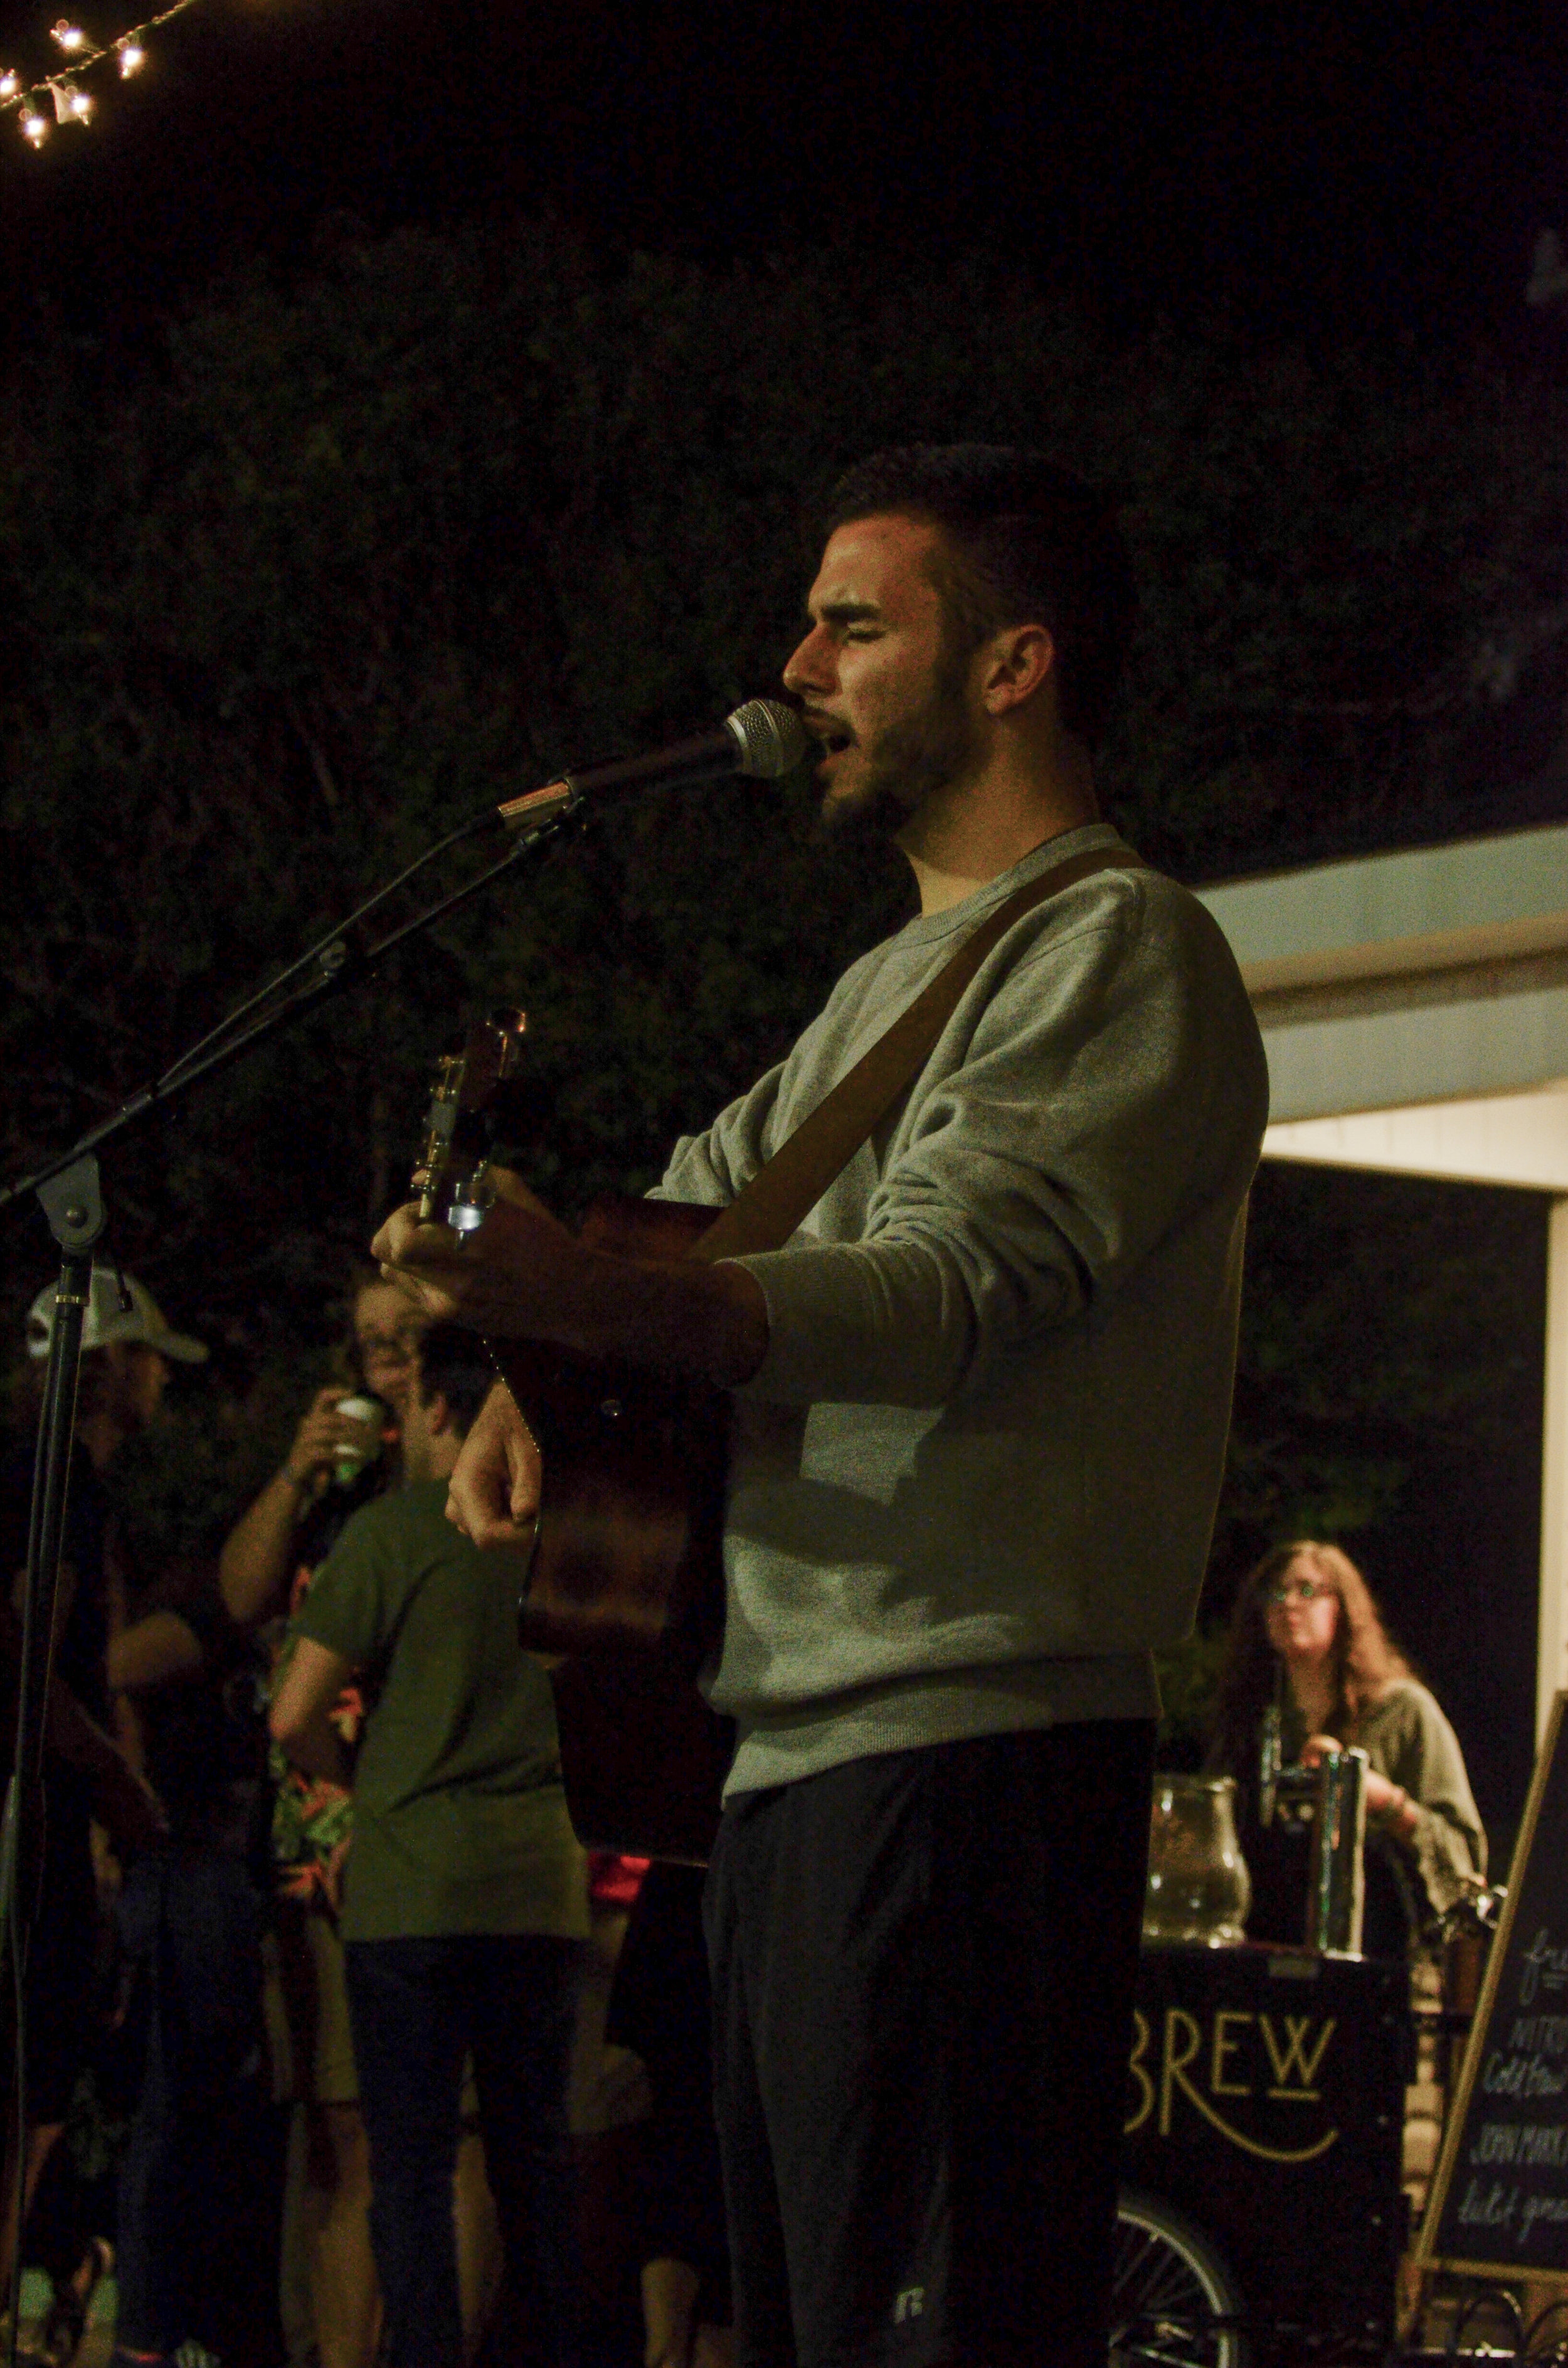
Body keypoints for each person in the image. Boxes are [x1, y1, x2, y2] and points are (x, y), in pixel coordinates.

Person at [372, 443, 1270, 2368]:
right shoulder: (884, 984)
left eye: (853, 622)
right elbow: (694, 1220)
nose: (793, 663)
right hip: (793, 1761)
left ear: (1012, 662)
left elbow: (945, 1290)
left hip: (971, 1749)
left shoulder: (1115, 946)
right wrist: (541, 1366)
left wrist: (597, 1295)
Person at [269, 1324, 590, 2368]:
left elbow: (293, 1716)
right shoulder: (567, 1533)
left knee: (409, 2171)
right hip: (541, 1885)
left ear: (439, 1411)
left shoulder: (397, 1530)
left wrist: (364, 1792)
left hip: (410, 1889)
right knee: (535, 2162)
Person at [218, 1275, 426, 2368]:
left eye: (403, 1346)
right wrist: (296, 1475)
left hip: (408, 1838)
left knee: (430, 2136)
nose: (382, 1368)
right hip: (309, 1858)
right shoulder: (335, 1502)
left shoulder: (443, 1478)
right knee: (331, 2130)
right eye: (368, 1349)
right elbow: (239, 1597)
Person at [0, 1268, 191, 2359]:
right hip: (28, 1825)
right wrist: (118, 1783)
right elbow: (29, 1652)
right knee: (26, 2078)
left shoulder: (68, 1487)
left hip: (52, 1821)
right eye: (151, 1355)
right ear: (110, 1361)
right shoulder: (53, 1483)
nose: (161, 1378)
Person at [1207, 1539, 1486, 1951]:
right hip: (1260, 1956)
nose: (1287, 1605)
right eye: (1275, 1593)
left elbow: (1465, 1860)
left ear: (1343, 1606)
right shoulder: (1249, 1720)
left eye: (1306, 1590)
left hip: (1381, 1960)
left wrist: (1384, 1800)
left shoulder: (1403, 1711)